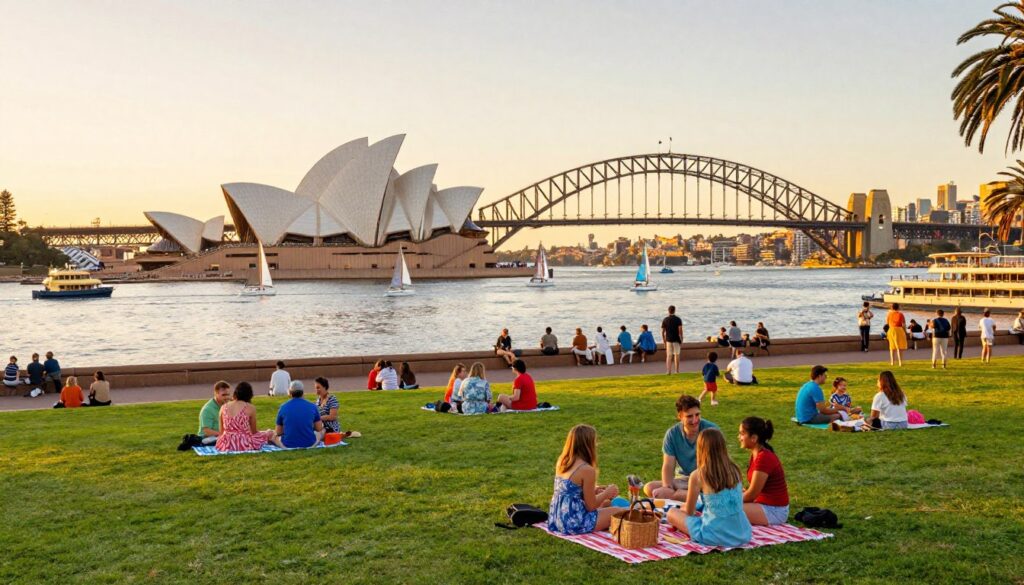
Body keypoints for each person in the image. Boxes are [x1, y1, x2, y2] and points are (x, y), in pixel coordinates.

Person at [666, 428, 752, 547]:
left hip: (712, 535)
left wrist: (682, 508)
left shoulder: (698, 475)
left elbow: (689, 512)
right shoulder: (735, 469)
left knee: (671, 513)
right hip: (741, 533)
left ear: (700, 448)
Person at [547, 424, 626, 535]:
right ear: (588, 445)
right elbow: (591, 506)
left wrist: (596, 489)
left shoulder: (563, 461)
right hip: (574, 522)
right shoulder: (586, 469)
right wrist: (607, 493)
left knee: (607, 504)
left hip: (557, 519)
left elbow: (570, 491)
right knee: (620, 512)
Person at [644, 394, 719, 500]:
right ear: (680, 416)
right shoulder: (672, 434)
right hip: (684, 480)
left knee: (667, 494)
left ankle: (682, 496)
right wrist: (667, 487)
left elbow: (716, 467)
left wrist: (694, 484)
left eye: (697, 415)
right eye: (689, 416)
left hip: (707, 479)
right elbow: (668, 465)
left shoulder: (711, 431)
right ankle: (686, 496)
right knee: (649, 488)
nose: (695, 420)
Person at [738, 417, 790, 526]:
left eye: (742, 434)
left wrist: (731, 499)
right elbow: (753, 490)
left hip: (775, 511)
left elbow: (751, 495)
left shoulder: (763, 458)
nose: (739, 437)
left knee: (726, 509)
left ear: (754, 438)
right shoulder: (757, 454)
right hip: (764, 504)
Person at [216, 382, 280, 452]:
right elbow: (254, 432)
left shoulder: (223, 407)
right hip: (243, 443)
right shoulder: (250, 408)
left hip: (226, 444)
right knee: (269, 433)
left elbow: (221, 432)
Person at [275, 380, 324, 448]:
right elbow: (319, 428)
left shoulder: (283, 407)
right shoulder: (312, 406)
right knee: (322, 432)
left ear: (290, 393)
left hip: (288, 444)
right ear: (303, 392)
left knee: (272, 436)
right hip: (309, 443)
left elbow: (278, 432)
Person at [661, 305, 684, 374]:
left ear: (668, 311)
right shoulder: (678, 319)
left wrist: (664, 341)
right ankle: (676, 371)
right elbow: (680, 331)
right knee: (676, 355)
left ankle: (668, 371)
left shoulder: (665, 319)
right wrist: (681, 339)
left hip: (668, 340)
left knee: (669, 356)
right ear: (674, 310)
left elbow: (662, 332)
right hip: (676, 340)